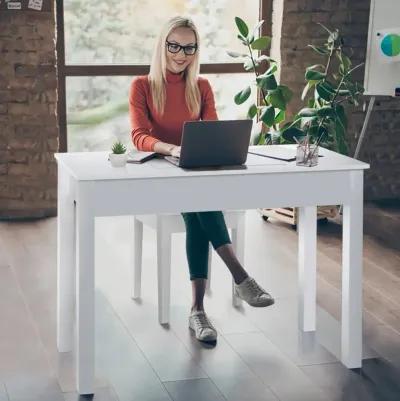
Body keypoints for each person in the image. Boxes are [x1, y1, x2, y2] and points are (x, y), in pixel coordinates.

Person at [129, 16, 274, 343]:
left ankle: (198, 311)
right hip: (160, 176)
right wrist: (172, 149)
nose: (181, 54)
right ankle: (239, 277)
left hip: (195, 174)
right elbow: (138, 136)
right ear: (162, 45)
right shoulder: (142, 86)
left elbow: (211, 132)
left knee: (199, 207)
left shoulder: (201, 87)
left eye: (189, 48)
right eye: (175, 46)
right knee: (201, 203)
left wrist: (200, 152)